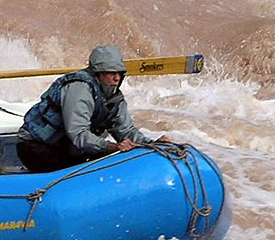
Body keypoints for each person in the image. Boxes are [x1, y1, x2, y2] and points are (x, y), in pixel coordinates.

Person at [17, 45, 170, 173]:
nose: (117, 78)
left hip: (67, 148)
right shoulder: (79, 88)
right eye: (111, 73)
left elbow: (126, 131)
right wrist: (113, 147)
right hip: (37, 146)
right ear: (98, 73)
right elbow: (78, 133)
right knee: (79, 172)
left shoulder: (114, 98)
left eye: (119, 73)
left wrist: (152, 144)